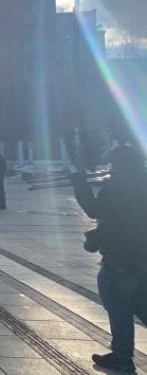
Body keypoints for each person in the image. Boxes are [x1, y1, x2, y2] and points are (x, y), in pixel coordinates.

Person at [70, 144, 147, 373]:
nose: (109, 168)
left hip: (121, 259)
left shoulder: (116, 188)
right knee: (142, 305)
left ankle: (122, 356)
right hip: (142, 258)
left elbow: (95, 210)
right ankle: (121, 354)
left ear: (120, 165)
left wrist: (79, 184)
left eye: (112, 164)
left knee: (119, 307)